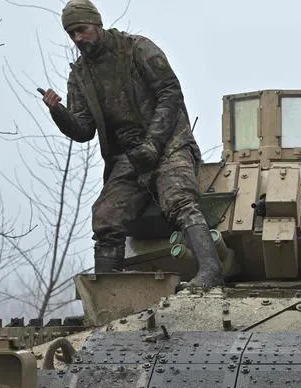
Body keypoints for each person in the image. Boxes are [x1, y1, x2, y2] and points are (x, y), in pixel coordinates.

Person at [40, 0, 223, 288]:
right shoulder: (80, 76)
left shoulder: (137, 49)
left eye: (82, 29)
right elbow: (84, 129)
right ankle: (109, 292)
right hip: (129, 156)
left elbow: (170, 93)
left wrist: (153, 143)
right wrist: (59, 113)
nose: (77, 38)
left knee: (179, 199)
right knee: (106, 215)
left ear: (97, 24)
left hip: (168, 143)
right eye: (71, 33)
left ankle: (211, 272)